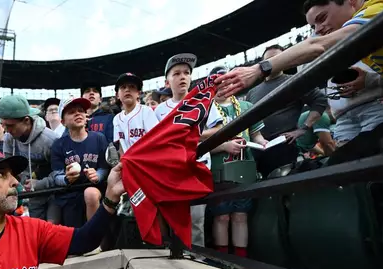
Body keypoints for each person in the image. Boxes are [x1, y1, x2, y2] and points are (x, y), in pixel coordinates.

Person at [217, 0, 383, 111]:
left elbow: (317, 46)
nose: (319, 29)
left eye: (322, 17)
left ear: (351, 1)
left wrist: (260, 68)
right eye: (313, 25)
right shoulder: (360, 46)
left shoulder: (378, 6)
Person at [155, 56, 224, 248]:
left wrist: (192, 134)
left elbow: (219, 129)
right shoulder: (160, 110)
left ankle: (198, 259)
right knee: (175, 219)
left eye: (186, 72)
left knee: (196, 220)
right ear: (167, 81)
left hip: (198, 166)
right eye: (176, 73)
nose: (182, 77)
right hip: (172, 170)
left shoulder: (202, 101)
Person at [208, 71, 269, 257]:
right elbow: (195, 146)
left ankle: (241, 260)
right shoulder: (205, 110)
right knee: (222, 216)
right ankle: (224, 260)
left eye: (227, 82)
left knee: (241, 215)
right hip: (219, 170)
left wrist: (264, 142)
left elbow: (256, 135)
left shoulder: (246, 106)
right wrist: (224, 146)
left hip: (244, 166)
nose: (224, 86)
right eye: (218, 83)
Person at [244, 46, 328, 178]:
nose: (271, 62)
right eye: (268, 60)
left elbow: (320, 100)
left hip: (283, 146)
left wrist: (303, 128)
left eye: (277, 59)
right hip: (257, 149)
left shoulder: (295, 81)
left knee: (285, 189)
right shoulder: (252, 92)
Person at [51, 97, 110, 229]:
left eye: (81, 111)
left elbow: (104, 168)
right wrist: (66, 179)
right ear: (63, 121)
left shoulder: (99, 138)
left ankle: (95, 242)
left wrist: (98, 176)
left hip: (96, 189)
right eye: (71, 112)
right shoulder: (58, 144)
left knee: (91, 193)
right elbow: (56, 176)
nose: (78, 113)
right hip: (70, 194)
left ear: (86, 116)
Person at [0, 95, 57, 220]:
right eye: (3, 125)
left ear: (26, 120)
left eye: (10, 125)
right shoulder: (9, 138)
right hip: (31, 195)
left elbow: (60, 173)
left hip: (54, 193)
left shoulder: (50, 140)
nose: (6, 130)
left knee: (52, 227)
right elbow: (8, 167)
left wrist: (40, 184)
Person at [112, 73, 159, 154]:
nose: (127, 90)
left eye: (132, 87)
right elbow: (120, 147)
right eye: (123, 87)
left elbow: (156, 140)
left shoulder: (146, 111)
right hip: (128, 163)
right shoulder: (116, 119)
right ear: (117, 95)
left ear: (138, 93)